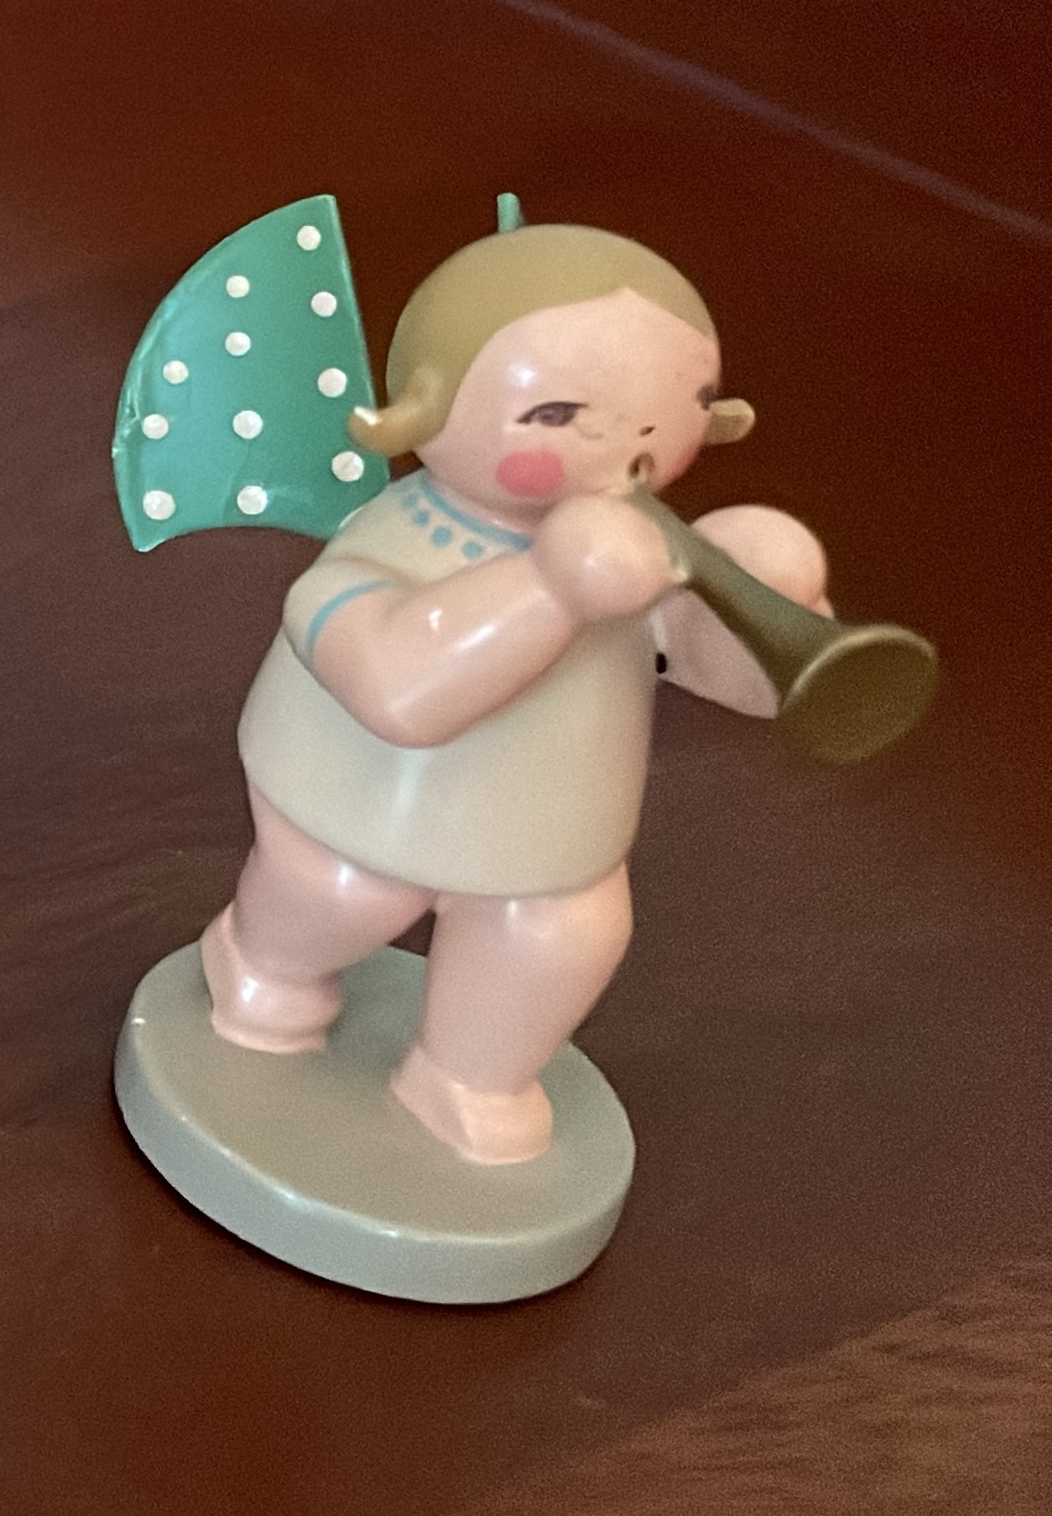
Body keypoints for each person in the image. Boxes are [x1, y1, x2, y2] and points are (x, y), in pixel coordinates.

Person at [196, 222, 824, 1164]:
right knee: (341, 897)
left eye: (671, 418)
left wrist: (765, 605)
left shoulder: (633, 548)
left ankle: (465, 1075)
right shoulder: (394, 539)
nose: (628, 450)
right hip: (350, 800)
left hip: (549, 835)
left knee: (559, 938)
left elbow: (719, 677)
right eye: (559, 415)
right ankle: (262, 962)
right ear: (422, 410)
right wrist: (549, 589)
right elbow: (398, 693)